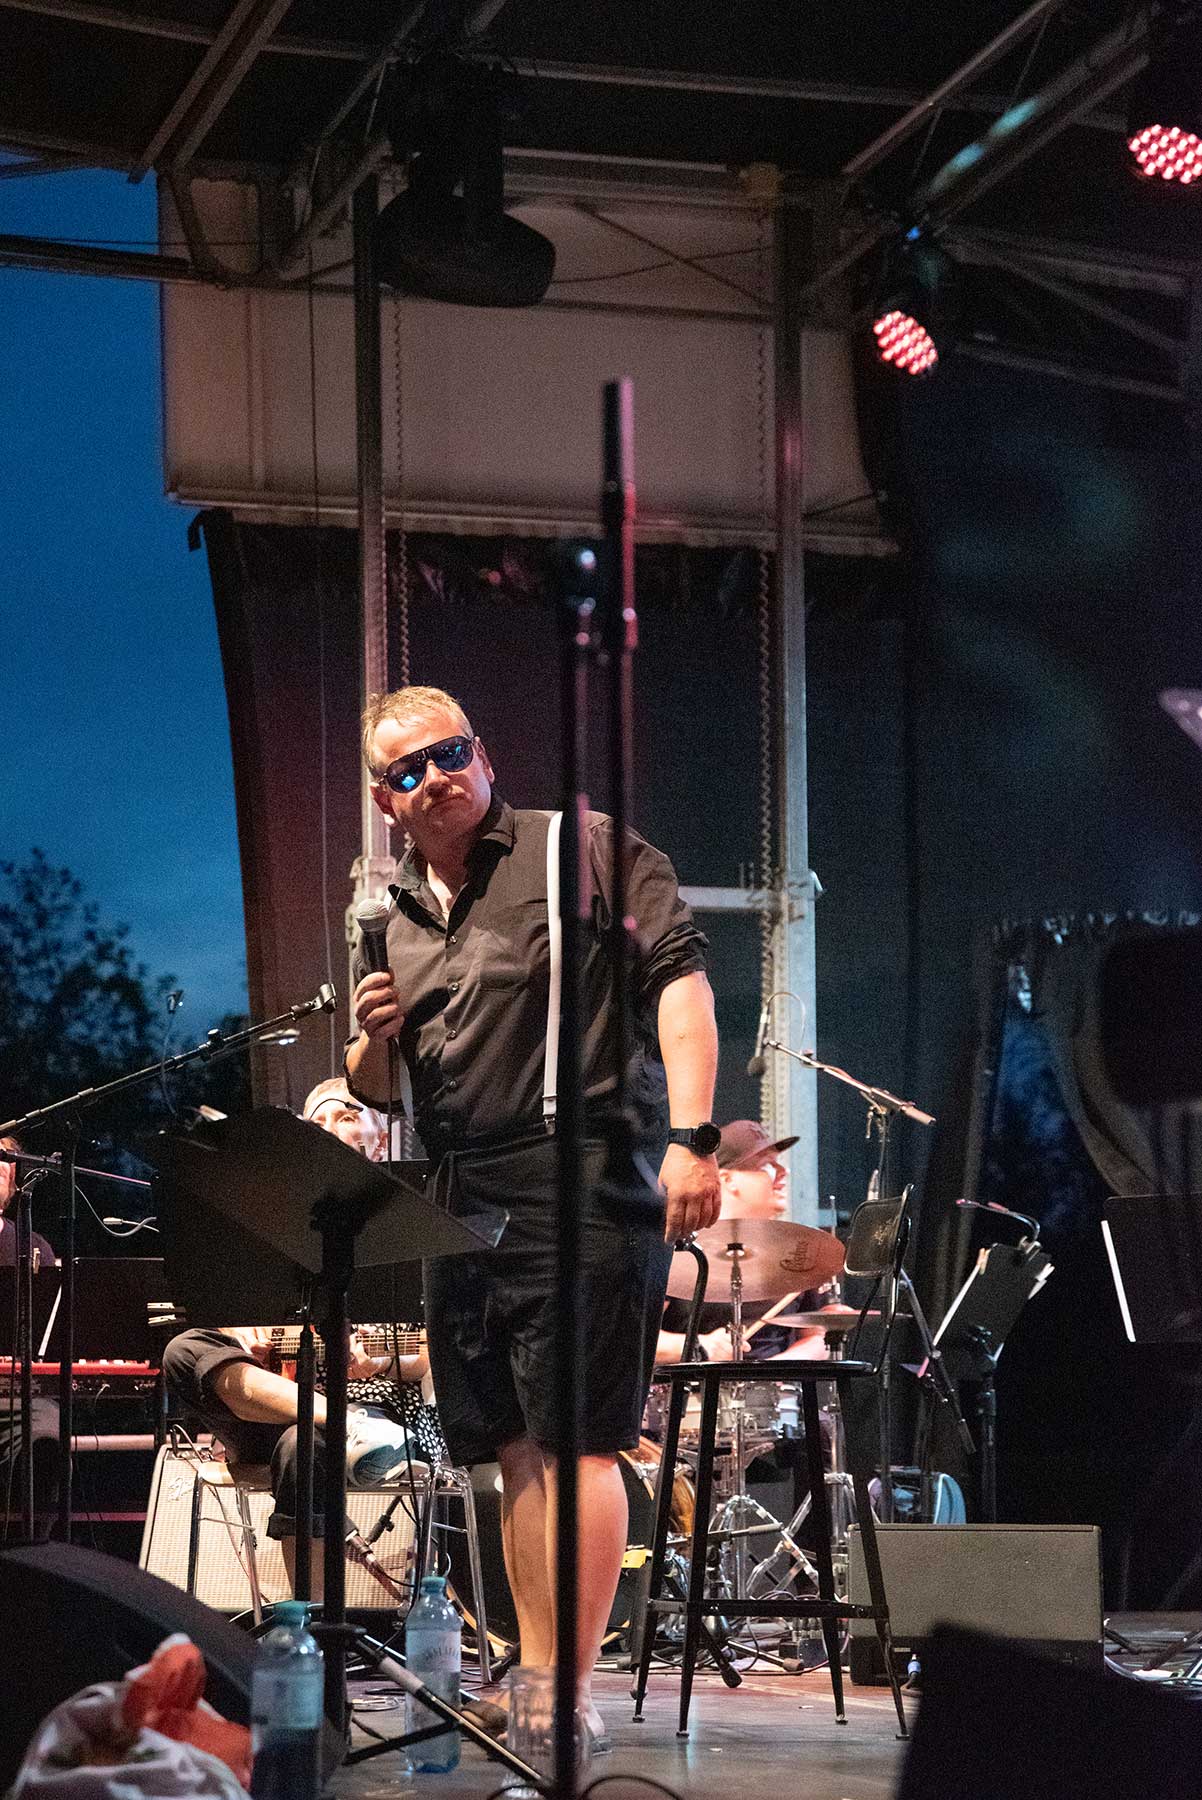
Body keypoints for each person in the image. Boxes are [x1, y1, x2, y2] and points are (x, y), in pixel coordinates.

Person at [344, 683, 721, 1743]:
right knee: (508, 1445)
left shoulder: (581, 849)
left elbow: (681, 986)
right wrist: (371, 1039)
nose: (435, 779)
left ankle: (571, 1685)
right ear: (385, 798)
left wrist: (693, 1137)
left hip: (579, 1169)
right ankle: (533, 1669)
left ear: (484, 754)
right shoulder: (389, 916)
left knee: (578, 1442)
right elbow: (375, 1088)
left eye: (449, 753)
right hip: (456, 1189)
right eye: (407, 771)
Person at [161, 1079, 432, 1596]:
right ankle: (339, 1419)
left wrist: (381, 1362)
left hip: (380, 1420)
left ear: (380, 1138)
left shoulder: (409, 1222)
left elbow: (435, 1354)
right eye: (315, 1122)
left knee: (300, 1445)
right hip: (278, 1406)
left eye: (345, 1116)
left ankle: (309, 1622)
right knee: (183, 1349)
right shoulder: (275, 1228)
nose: (327, 1129)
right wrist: (241, 1329)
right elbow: (225, 1314)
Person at [655, 1119, 832, 1365]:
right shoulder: (680, 1247)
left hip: (776, 1385)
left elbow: (817, 1339)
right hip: (696, 1384)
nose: (783, 1172)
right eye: (767, 1165)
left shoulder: (798, 1250)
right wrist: (700, 1346)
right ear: (727, 1179)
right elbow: (636, 1338)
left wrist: (772, 1371)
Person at [0, 1133, 60, 1524]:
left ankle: (35, 1547)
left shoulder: (34, 1248)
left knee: (48, 1433)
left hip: (19, 1396)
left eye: (3, 1163)